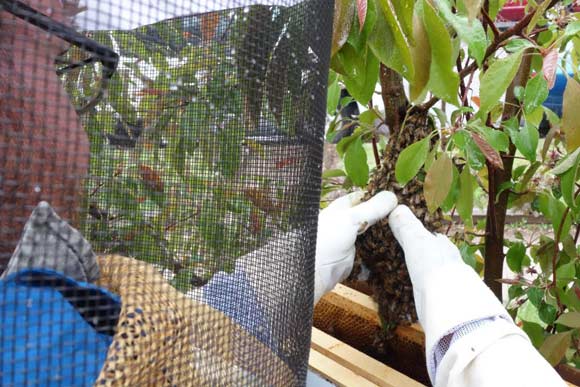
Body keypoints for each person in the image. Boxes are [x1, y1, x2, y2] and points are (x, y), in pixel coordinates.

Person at [0, 1, 569, 386]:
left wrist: (282, 276)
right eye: (59, 63)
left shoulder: (45, 323)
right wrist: (479, 353)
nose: (79, 123)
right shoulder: (41, 347)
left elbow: (161, 350)